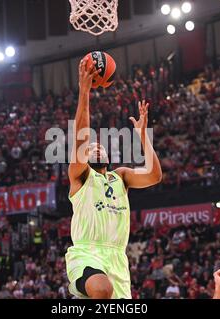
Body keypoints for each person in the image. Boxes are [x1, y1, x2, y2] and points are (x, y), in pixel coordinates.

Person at [65, 58, 162, 299]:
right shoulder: (80, 177)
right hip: (86, 253)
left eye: (100, 147)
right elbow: (81, 137)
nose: (95, 148)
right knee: (101, 288)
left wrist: (142, 136)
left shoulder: (121, 177)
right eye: (91, 148)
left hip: (117, 257)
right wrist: (84, 92)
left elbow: (154, 176)